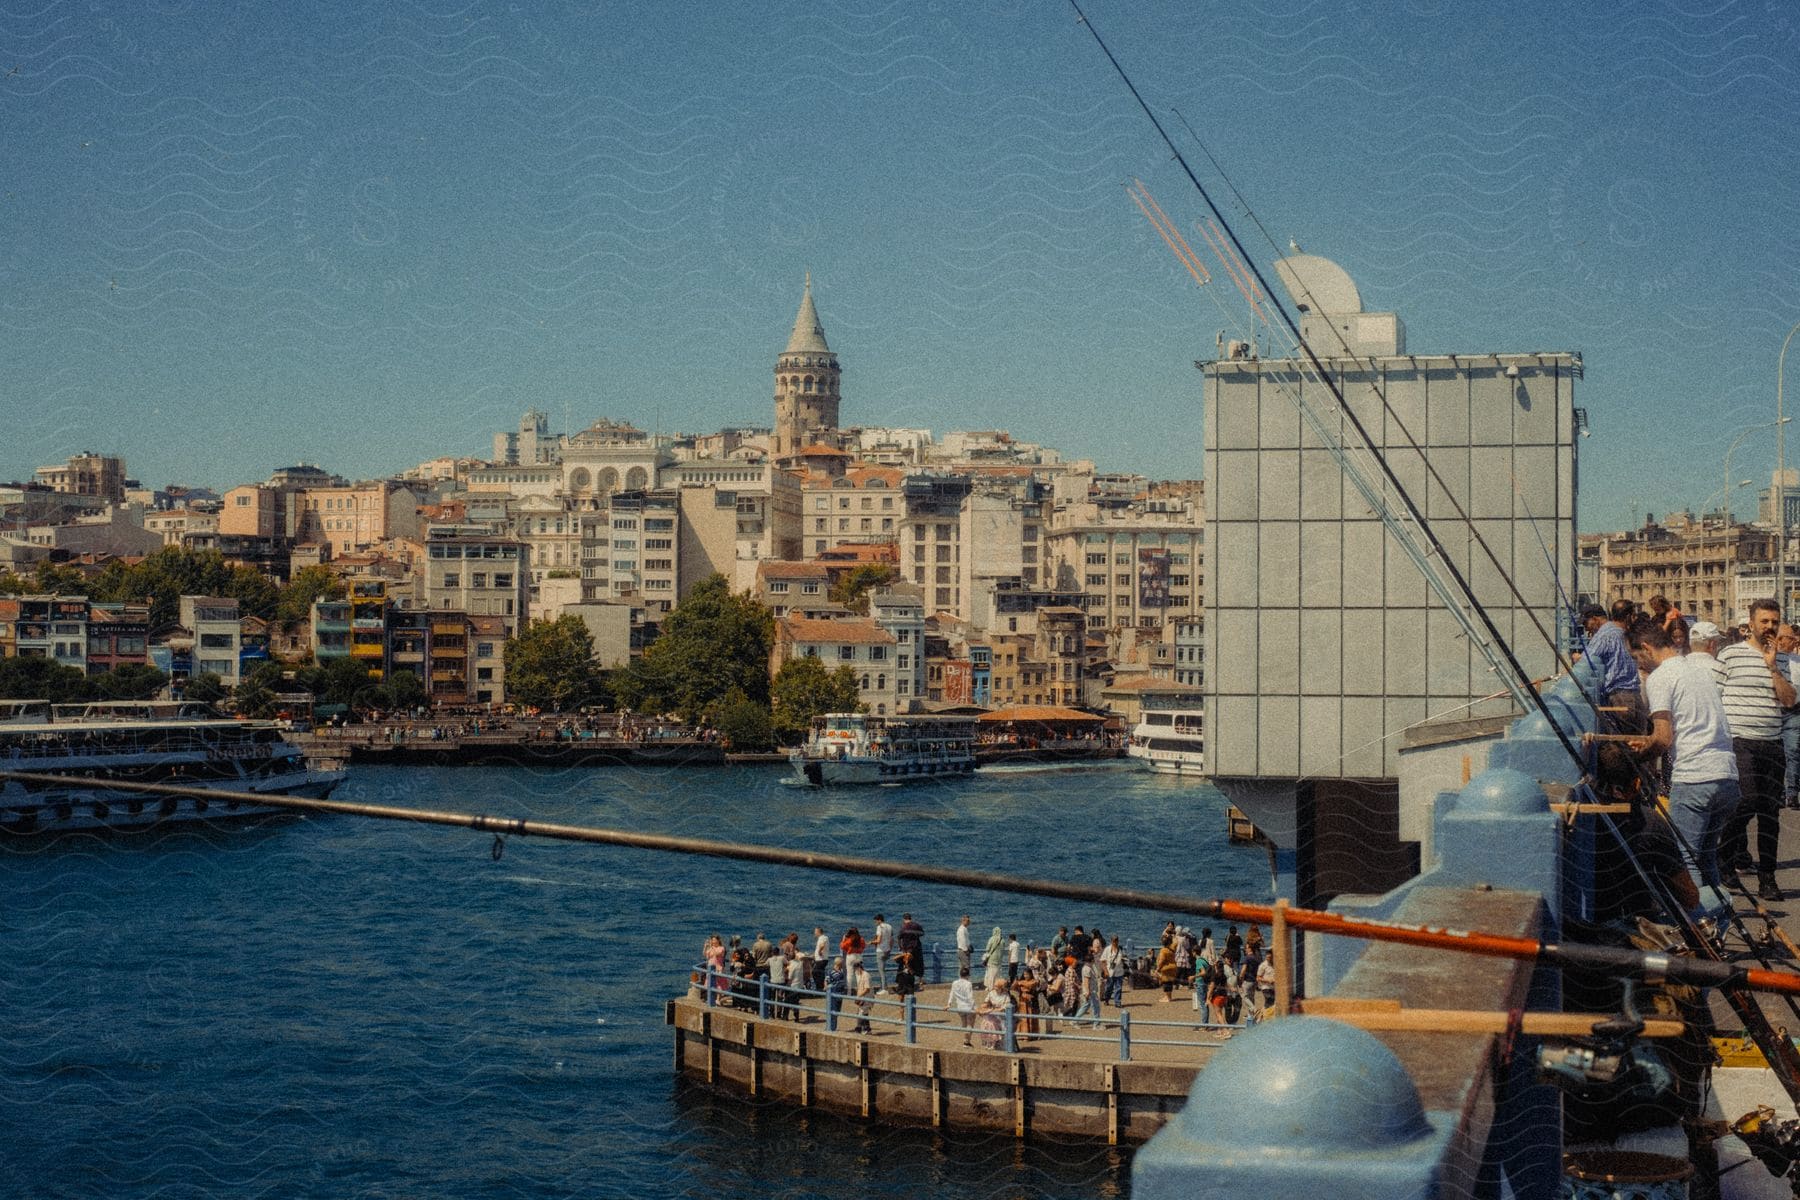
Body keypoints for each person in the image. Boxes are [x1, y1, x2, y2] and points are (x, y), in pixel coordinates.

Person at [1627, 616, 1741, 917]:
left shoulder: (1660, 677)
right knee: (1707, 859)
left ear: (1647, 648)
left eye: (1637, 657)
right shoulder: (1698, 668)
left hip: (1694, 778)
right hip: (1727, 775)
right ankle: (1718, 925)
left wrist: (1638, 751)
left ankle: (1700, 928)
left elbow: (1663, 738)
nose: (1639, 665)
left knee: (1685, 860)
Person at [1716, 599, 1795, 900]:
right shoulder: (1730, 655)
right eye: (1765, 622)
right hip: (1741, 740)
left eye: (1774, 622)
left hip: (1772, 742)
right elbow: (1715, 694)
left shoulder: (1783, 660)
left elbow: (1789, 700)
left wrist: (1773, 666)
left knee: (1770, 814)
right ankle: (1724, 857)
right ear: (1751, 624)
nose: (1770, 627)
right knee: (1746, 802)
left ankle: (1768, 878)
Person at [1585, 600, 1647, 732]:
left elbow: (1587, 661)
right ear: (1629, 617)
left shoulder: (1608, 634)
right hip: (1629, 697)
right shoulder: (1616, 635)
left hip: (1621, 698)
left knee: (1627, 745)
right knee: (1637, 744)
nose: (1586, 628)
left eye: (1586, 623)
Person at [975, 979, 1011, 1049]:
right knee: (987, 1023)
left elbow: (1007, 1005)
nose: (995, 988)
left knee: (999, 1025)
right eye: (995, 986)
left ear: (1001, 987)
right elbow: (986, 1002)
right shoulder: (991, 993)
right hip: (993, 1012)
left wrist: (1000, 1009)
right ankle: (989, 1042)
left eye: (997, 986)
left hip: (1001, 1014)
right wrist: (984, 1006)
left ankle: (999, 1043)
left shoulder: (1005, 995)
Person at [946, 967, 977, 1045]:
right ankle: (967, 1041)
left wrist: (948, 1004)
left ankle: (966, 1041)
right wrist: (976, 1007)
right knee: (970, 1024)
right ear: (968, 976)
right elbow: (970, 997)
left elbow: (951, 994)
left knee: (964, 1024)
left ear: (960, 974)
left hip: (959, 1007)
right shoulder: (968, 984)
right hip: (968, 1007)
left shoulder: (954, 983)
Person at [897, 913, 925, 978]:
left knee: (908, 965)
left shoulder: (903, 927)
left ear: (904, 919)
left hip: (907, 949)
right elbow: (922, 933)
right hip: (917, 947)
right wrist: (915, 934)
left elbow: (899, 937)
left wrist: (901, 947)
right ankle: (920, 981)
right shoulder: (917, 925)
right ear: (910, 918)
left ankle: (909, 981)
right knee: (919, 964)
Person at [872, 913, 893, 993]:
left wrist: (871, 942)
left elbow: (878, 940)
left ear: (879, 920)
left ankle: (884, 989)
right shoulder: (889, 926)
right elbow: (891, 940)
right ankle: (885, 986)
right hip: (887, 950)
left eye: (876, 921)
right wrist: (890, 949)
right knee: (883, 970)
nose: (875, 923)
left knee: (881, 971)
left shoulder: (879, 928)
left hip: (880, 950)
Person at [851, 959, 873, 1034]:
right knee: (864, 1012)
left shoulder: (866, 975)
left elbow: (867, 989)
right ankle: (867, 1028)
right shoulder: (858, 974)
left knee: (861, 1012)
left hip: (866, 997)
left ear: (859, 968)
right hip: (861, 996)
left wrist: (859, 995)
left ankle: (858, 1028)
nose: (855, 971)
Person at [1155, 935, 1178, 1003]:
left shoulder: (1163, 950)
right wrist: (1173, 935)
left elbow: (1162, 960)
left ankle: (1168, 998)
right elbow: (1176, 942)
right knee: (1169, 982)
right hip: (1173, 967)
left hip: (1166, 968)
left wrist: (1158, 968)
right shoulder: (1172, 948)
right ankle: (1167, 996)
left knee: (1166, 983)